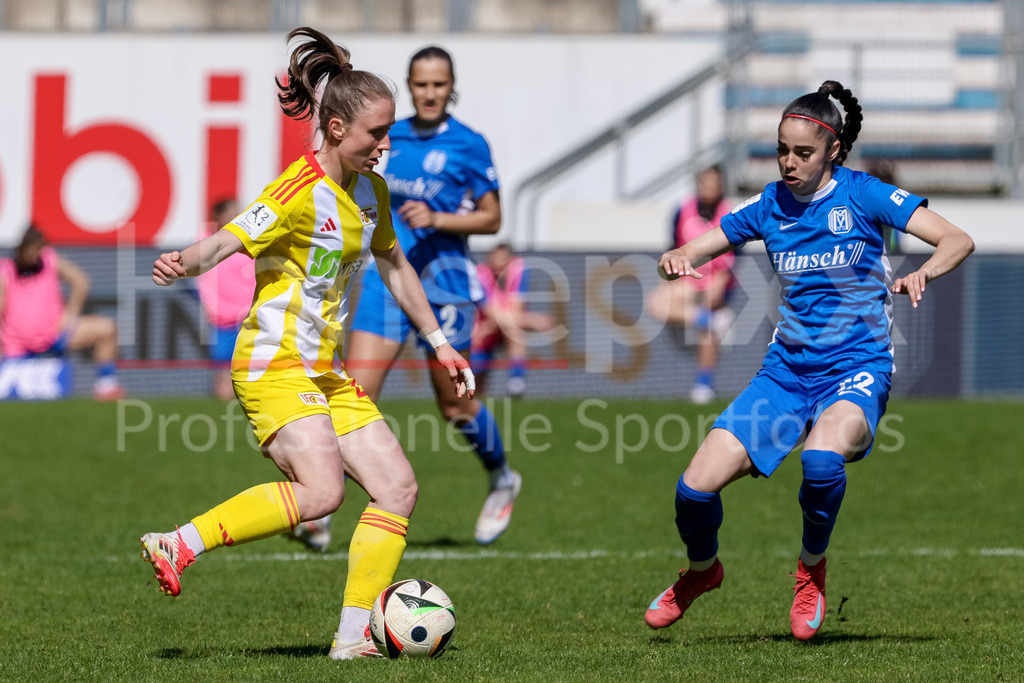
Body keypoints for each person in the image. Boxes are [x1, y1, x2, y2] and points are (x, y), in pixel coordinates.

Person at [138, 27, 474, 661]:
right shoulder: (295, 191)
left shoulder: (372, 193)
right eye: (377, 133)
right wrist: (185, 261)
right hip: (273, 364)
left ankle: (352, 642)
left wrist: (438, 341)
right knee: (322, 493)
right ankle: (179, 542)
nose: (386, 144)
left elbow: (397, 266)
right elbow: (228, 241)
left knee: (398, 487)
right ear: (339, 128)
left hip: (324, 370)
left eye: (390, 130)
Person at [644, 80, 974, 641]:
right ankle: (703, 573)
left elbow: (956, 240)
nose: (789, 163)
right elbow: (692, 249)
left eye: (803, 153)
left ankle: (811, 570)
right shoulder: (769, 204)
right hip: (787, 373)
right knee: (693, 489)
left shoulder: (866, 194)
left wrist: (924, 271)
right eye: (781, 150)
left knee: (821, 462)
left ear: (833, 152)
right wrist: (674, 260)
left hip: (858, 366)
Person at [340, 45, 520, 546]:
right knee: (354, 402)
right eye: (421, 84)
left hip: (444, 284)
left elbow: (493, 218)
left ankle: (503, 476)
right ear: (410, 85)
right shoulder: (387, 137)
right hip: (386, 279)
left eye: (439, 84)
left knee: (455, 407)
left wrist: (438, 218)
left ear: (451, 86)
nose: (430, 93)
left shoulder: (469, 144)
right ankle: (323, 507)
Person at [0, 225, 125, 400]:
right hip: (16, 344)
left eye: (39, 249)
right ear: (23, 248)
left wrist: (70, 314)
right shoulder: (6, 270)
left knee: (107, 328)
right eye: (32, 249)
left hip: (54, 335)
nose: (36, 254)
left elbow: (81, 281)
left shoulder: (50, 260)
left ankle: (106, 385)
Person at [644, 166, 735, 404]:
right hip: (687, 278)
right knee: (656, 304)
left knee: (708, 331)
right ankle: (710, 320)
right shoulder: (683, 211)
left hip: (715, 279)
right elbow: (674, 246)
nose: (708, 188)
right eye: (704, 183)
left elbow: (729, 261)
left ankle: (703, 386)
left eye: (713, 183)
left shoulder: (728, 214)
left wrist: (718, 289)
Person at [471, 243, 554, 398]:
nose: (498, 265)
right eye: (495, 259)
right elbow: (490, 312)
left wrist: (509, 320)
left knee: (514, 331)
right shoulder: (480, 274)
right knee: (476, 384)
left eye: (503, 260)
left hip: (495, 327)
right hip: (484, 332)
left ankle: (516, 382)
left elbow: (515, 309)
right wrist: (531, 319)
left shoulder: (519, 270)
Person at [194, 198, 256, 401]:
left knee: (253, 371)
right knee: (223, 372)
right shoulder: (205, 241)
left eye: (237, 211)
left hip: (250, 316)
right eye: (230, 211)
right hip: (222, 319)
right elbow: (198, 278)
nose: (235, 215)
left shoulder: (250, 242)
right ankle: (222, 416)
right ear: (218, 216)